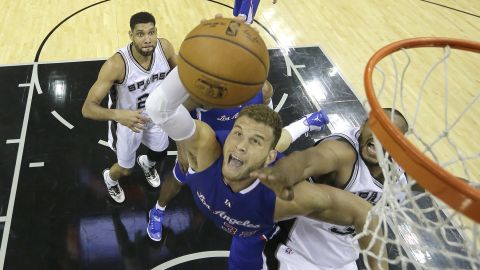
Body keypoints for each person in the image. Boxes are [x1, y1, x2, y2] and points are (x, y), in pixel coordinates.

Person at [144, 68, 385, 270]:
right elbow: (159, 107)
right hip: (214, 171)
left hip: (252, 232)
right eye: (236, 134)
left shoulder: (284, 198)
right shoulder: (205, 151)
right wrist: (191, 61)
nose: (240, 146)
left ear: (270, 156)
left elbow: (364, 212)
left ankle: (302, 124)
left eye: (255, 141)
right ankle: (158, 209)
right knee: (176, 178)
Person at [256, 108, 408, 270]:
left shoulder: (398, 177)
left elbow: (373, 228)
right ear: (363, 125)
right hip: (295, 255)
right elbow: (313, 159)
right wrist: (287, 171)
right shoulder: (343, 153)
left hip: (344, 261)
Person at [82, 12, 176, 203]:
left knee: (160, 152)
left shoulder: (164, 48)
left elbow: (181, 74)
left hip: (155, 114)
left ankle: (147, 164)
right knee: (125, 168)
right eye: (140, 34)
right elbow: (87, 108)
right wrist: (118, 115)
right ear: (131, 35)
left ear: (156, 32)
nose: (147, 39)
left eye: (151, 32)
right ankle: (110, 177)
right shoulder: (116, 64)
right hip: (126, 122)